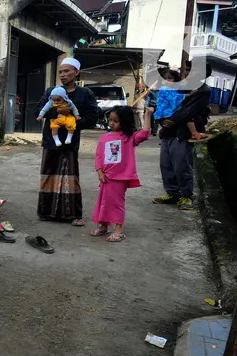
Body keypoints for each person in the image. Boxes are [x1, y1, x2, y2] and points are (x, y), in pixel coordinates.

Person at [35, 57, 98, 226]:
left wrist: (74, 122)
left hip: (70, 143)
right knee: (49, 176)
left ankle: (73, 214)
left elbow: (93, 115)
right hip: (51, 140)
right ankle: (46, 212)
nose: (63, 75)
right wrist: (56, 113)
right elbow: (38, 109)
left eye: (67, 71)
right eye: (60, 72)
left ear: (76, 72)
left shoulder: (85, 94)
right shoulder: (51, 91)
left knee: (70, 178)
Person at [153, 61, 212, 211]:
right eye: (189, 69)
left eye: (194, 70)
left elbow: (189, 111)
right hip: (168, 131)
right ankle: (172, 192)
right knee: (166, 164)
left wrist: (172, 121)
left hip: (183, 133)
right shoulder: (178, 86)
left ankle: (186, 195)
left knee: (182, 165)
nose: (189, 72)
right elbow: (164, 103)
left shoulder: (203, 90)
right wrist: (162, 121)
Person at [91, 106, 152, 242]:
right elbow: (99, 156)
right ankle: (104, 225)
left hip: (120, 177)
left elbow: (145, 134)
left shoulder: (129, 138)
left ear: (124, 122)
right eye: (110, 120)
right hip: (106, 176)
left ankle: (119, 230)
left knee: (117, 203)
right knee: (104, 202)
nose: (111, 123)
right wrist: (99, 172)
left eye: (116, 121)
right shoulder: (104, 137)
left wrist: (147, 115)